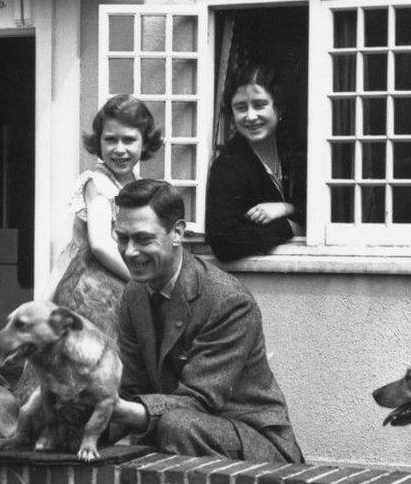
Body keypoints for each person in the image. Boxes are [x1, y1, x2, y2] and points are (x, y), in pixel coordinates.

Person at [109, 179, 303, 462]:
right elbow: (130, 389)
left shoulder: (228, 301)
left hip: (257, 446)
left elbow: (199, 401)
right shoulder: (134, 294)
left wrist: (119, 409)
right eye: (122, 238)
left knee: (176, 426)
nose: (129, 252)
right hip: (182, 433)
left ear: (177, 233)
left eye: (142, 239)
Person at [42, 94, 163, 334]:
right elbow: (100, 245)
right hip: (89, 286)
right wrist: (143, 281)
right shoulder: (97, 184)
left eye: (129, 140)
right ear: (99, 143)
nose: (119, 149)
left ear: (145, 142)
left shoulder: (136, 184)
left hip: (115, 282)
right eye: (110, 140)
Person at [205, 65, 306, 261]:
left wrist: (285, 208)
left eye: (259, 105)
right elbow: (223, 243)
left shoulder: (298, 150)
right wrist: (290, 227)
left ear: (279, 108)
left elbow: (328, 211)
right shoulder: (228, 166)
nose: (250, 116)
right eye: (241, 107)